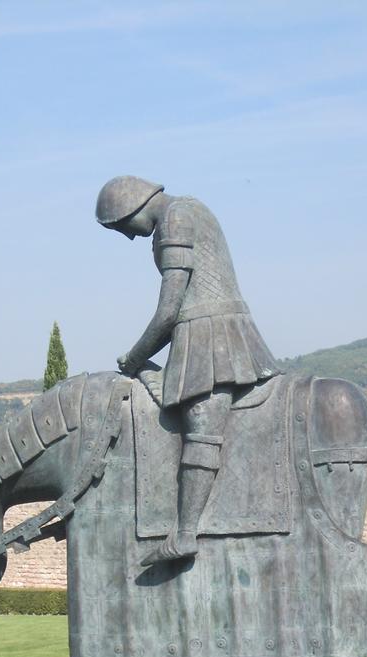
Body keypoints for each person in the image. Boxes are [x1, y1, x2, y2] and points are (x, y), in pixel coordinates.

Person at [96, 176, 280, 565]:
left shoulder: (176, 219)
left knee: (202, 428)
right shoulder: (189, 208)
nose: (129, 237)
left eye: (123, 227)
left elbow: (169, 311)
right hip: (207, 331)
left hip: (211, 336)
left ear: (133, 207)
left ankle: (184, 534)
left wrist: (133, 357)